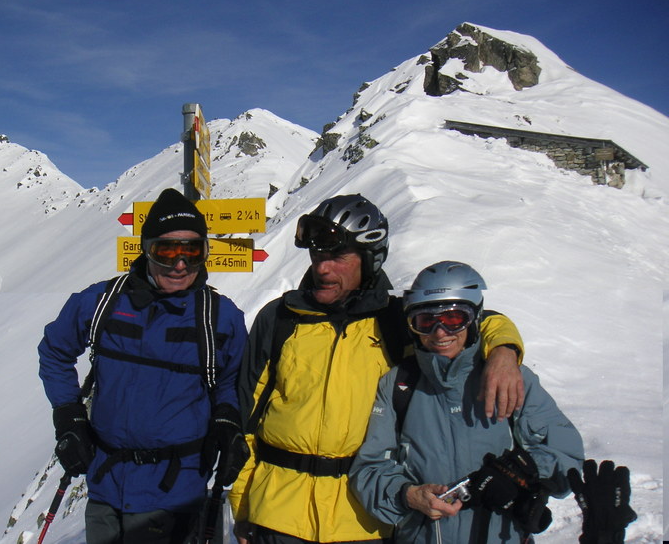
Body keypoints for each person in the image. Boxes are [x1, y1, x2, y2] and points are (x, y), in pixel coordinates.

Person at [229, 195, 527, 544]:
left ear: (370, 259)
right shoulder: (280, 318)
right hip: (276, 516)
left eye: (338, 257)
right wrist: (242, 504)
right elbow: (246, 419)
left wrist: (505, 350)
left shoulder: (397, 321)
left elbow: (471, 320)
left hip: (365, 519)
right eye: (317, 255)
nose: (323, 268)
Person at [38, 187, 249, 544]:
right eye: (166, 251)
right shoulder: (101, 302)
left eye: (192, 251)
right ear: (146, 250)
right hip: (106, 486)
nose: (180, 264)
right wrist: (68, 414)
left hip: (177, 494)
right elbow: (55, 352)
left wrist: (227, 418)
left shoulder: (219, 317)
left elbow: (232, 379)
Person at [349, 261, 585, 542]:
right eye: (425, 321)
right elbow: (370, 469)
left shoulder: (509, 377)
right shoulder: (399, 385)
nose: (439, 332)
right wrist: (408, 495)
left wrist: (522, 471)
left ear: (475, 318)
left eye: (453, 319)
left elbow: (566, 454)